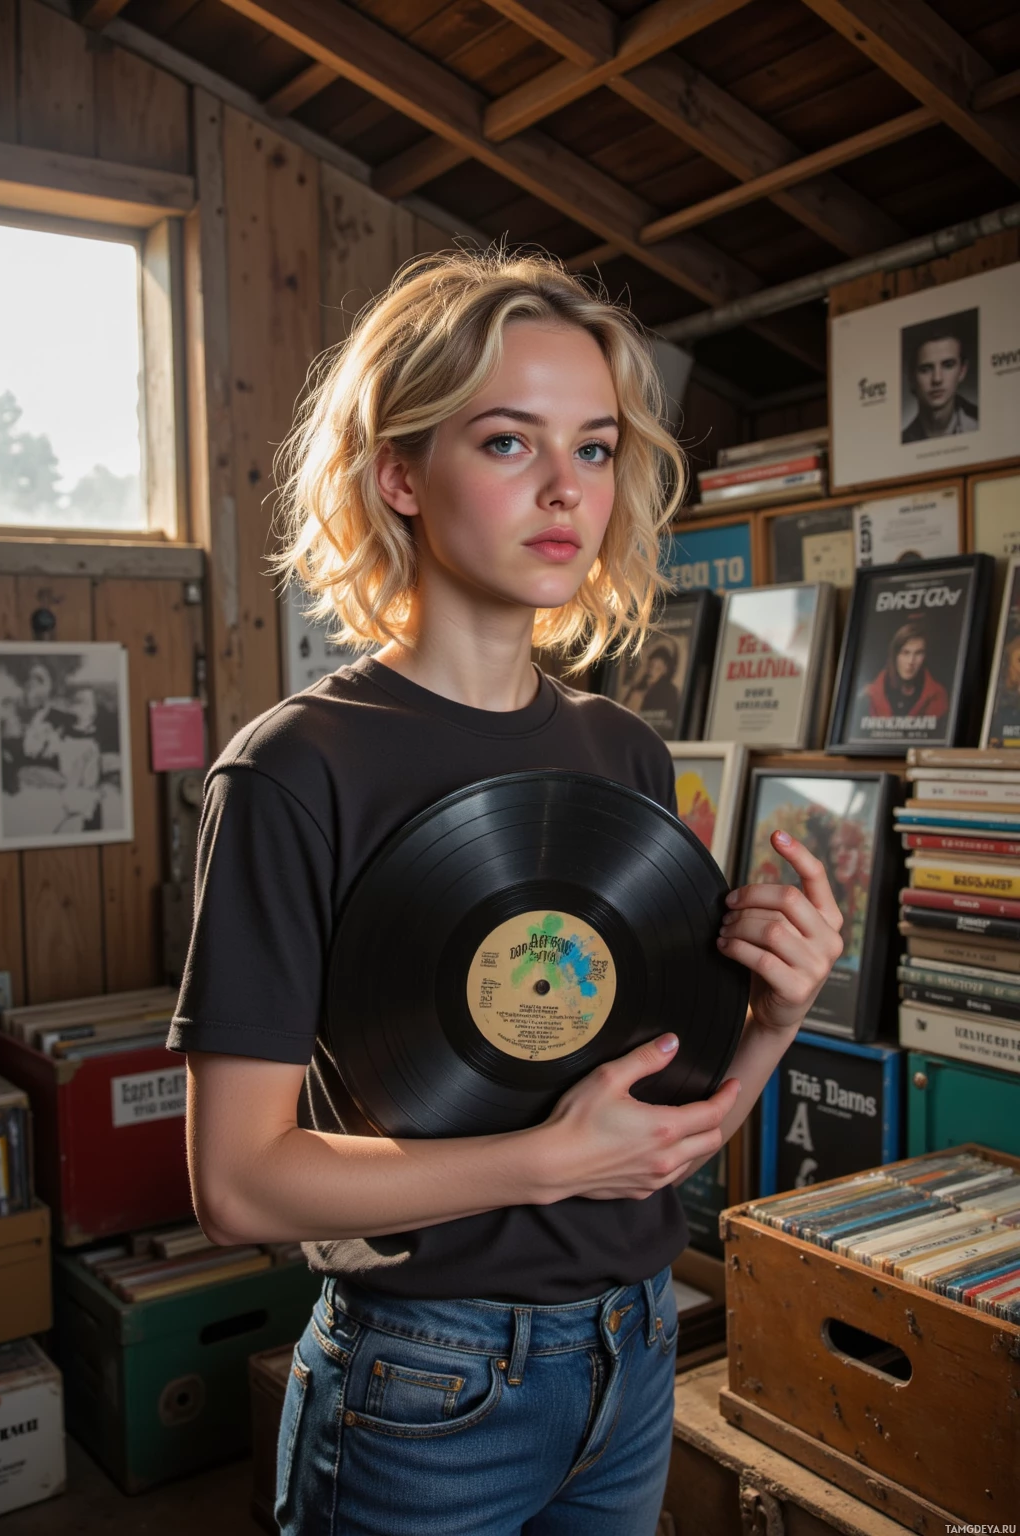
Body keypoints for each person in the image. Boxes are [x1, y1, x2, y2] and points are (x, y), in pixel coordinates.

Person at [168, 251, 842, 1536]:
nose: (564, 490)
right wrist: (541, 1159)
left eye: (594, 449)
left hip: (640, 1354)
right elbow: (241, 1185)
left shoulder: (623, 754)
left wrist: (771, 1021)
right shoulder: (295, 768)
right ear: (401, 477)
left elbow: (668, 1131)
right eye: (506, 440)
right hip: (423, 1385)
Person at [854, 618, 948, 737]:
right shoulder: (868, 696)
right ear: (895, 655)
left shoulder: (937, 695)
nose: (911, 661)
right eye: (905, 652)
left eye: (918, 653)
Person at [901, 320, 979, 442]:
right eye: (925, 369)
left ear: (962, 371)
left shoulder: (981, 424)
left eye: (948, 365)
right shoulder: (903, 439)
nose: (937, 379)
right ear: (911, 377)